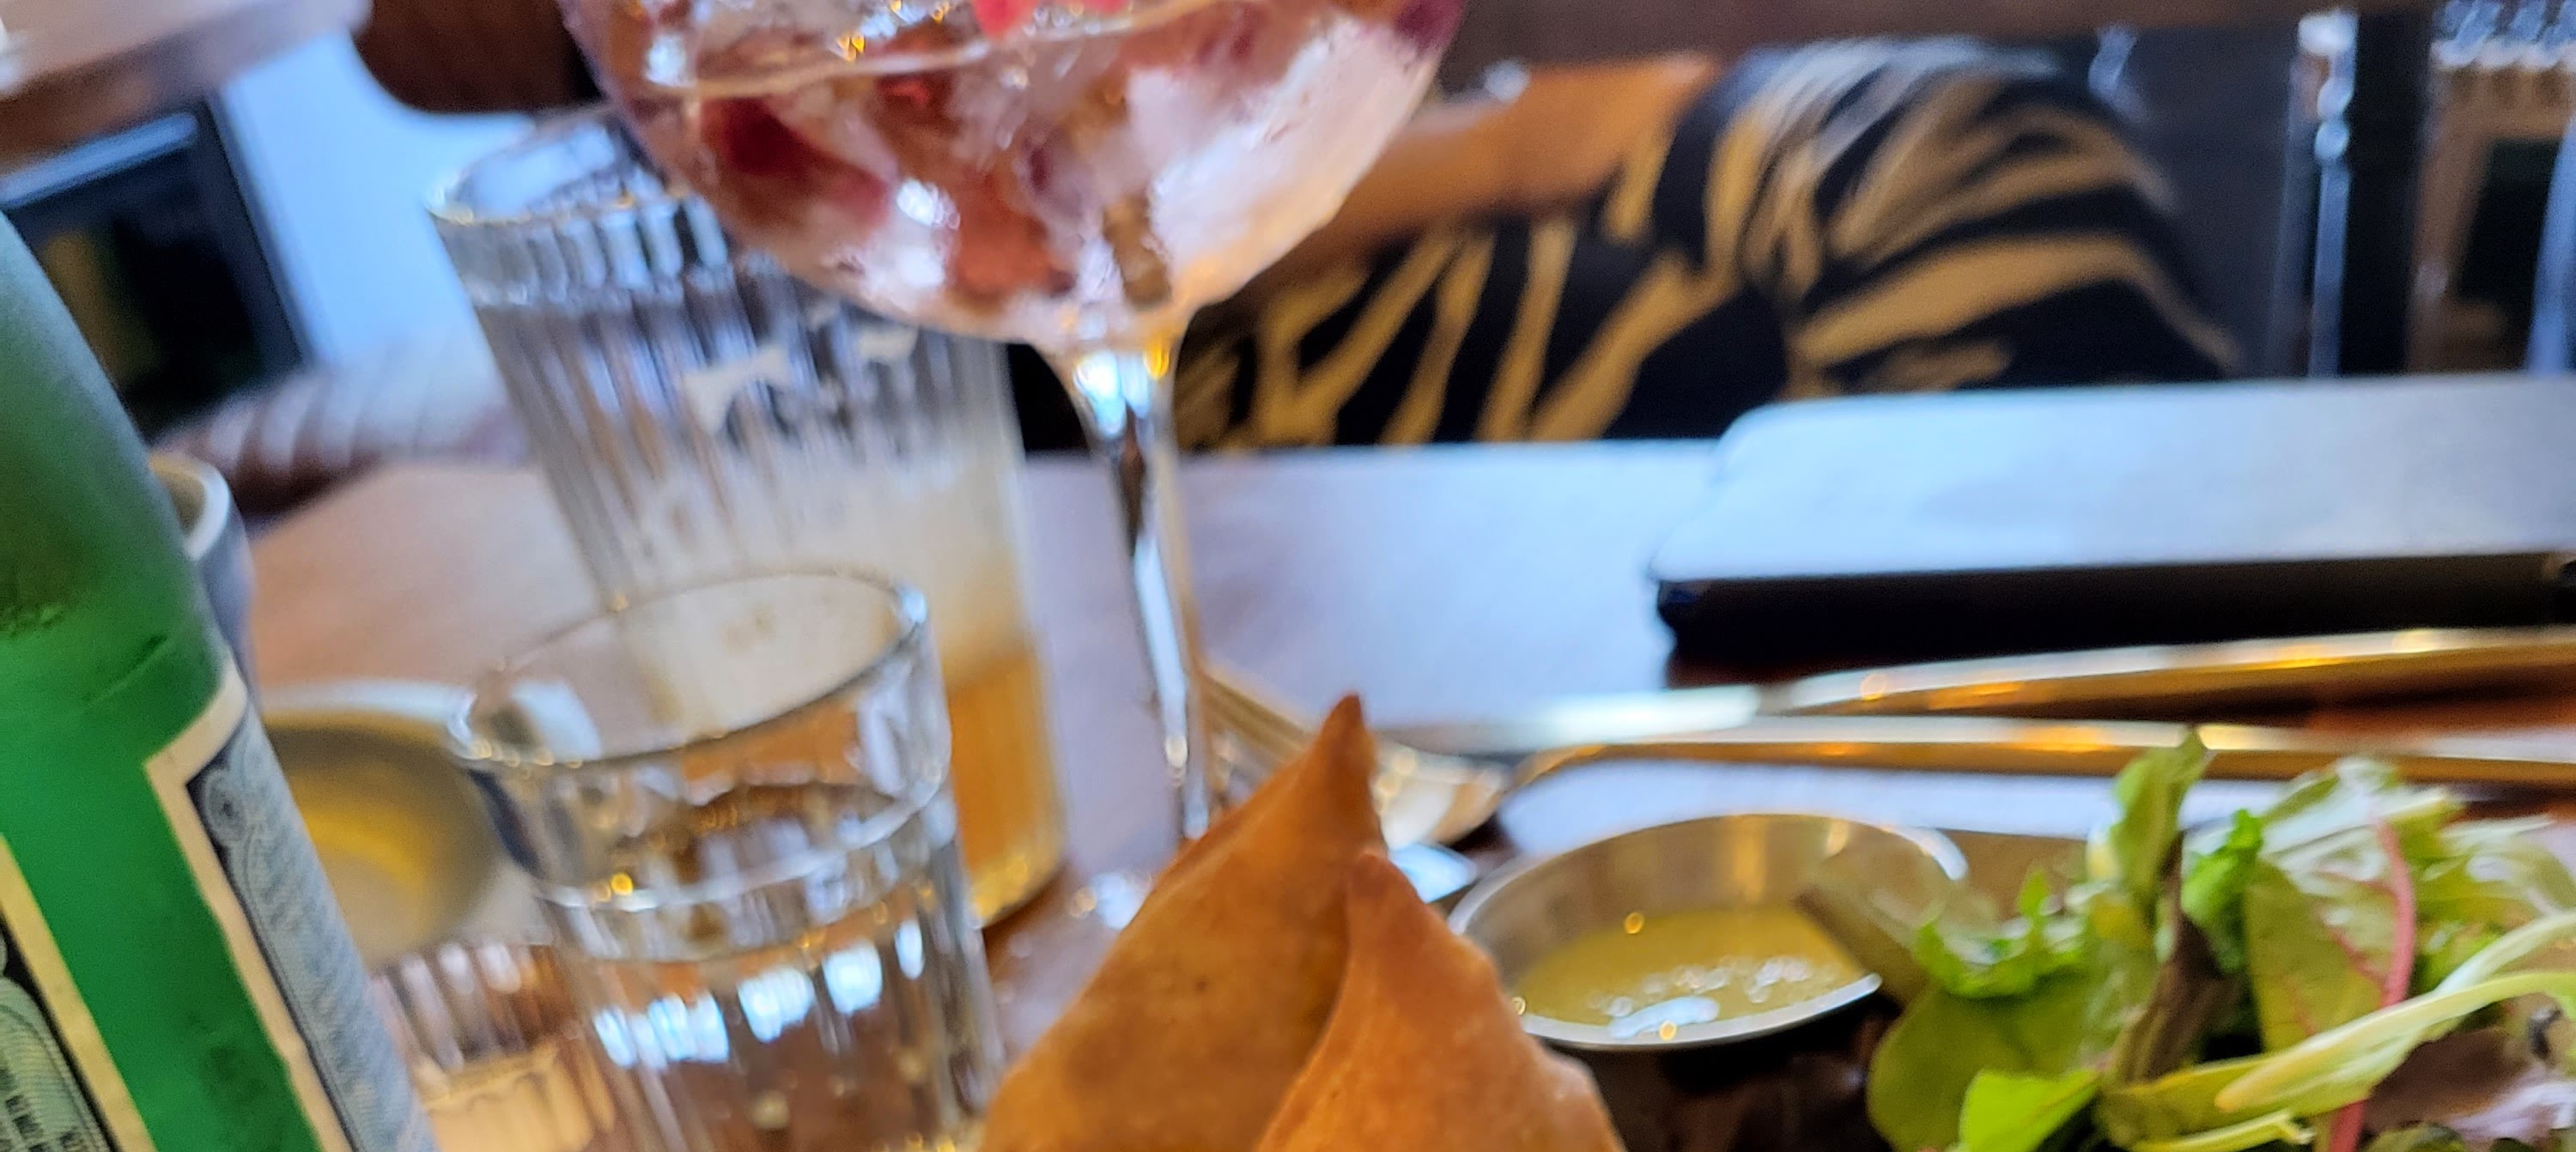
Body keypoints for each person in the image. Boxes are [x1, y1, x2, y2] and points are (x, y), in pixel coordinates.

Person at [355, 1, 2232, 446]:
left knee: (1986, 159)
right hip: (1062, 271)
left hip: (1396, 113)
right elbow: (417, 40)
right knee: (1690, 341)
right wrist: (1507, 153)